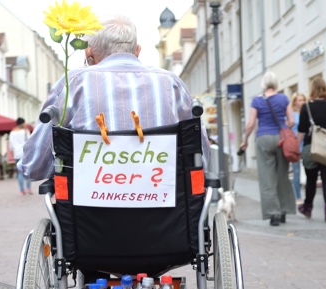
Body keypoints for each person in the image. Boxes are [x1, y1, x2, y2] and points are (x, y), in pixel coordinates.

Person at [18, 16, 210, 181]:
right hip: (167, 212)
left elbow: (33, 167)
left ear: (89, 52)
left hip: (88, 216)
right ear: (137, 50)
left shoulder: (74, 83)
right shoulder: (171, 83)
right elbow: (201, 155)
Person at [239, 71, 296, 227]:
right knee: (282, 176)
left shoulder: (257, 101)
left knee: (267, 179)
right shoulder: (284, 98)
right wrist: (284, 128)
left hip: (263, 139)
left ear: (263, 84)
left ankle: (273, 215)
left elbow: (250, 124)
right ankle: (284, 210)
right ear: (276, 83)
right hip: (281, 139)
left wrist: (245, 141)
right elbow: (291, 121)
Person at [298, 77, 326, 223]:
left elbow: (302, 130)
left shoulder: (307, 107)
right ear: (325, 89)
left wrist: (297, 148)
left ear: (312, 89)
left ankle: (307, 208)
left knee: (311, 180)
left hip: (311, 148)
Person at [290, 93, 306, 204]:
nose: (301, 102)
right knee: (296, 172)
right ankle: (298, 197)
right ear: (295, 102)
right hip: (295, 146)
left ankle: (308, 195)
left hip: (306, 146)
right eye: (299, 100)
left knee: (310, 171)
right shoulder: (292, 115)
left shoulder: (308, 114)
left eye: (303, 100)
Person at [9, 117, 32, 194]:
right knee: (27, 171)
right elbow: (30, 142)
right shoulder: (25, 131)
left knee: (19, 173)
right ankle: (28, 188)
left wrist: (12, 155)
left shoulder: (12, 132)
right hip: (25, 153)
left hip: (17, 154)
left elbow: (11, 146)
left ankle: (22, 190)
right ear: (22, 123)